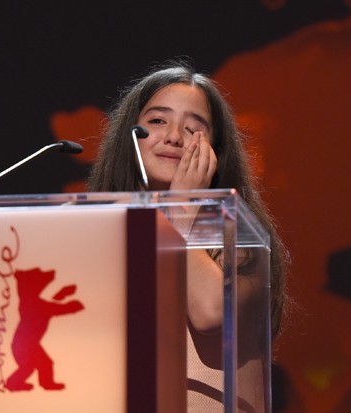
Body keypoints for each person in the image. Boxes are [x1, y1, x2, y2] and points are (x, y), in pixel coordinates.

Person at [88, 60, 289, 412]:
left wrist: (180, 210)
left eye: (193, 128)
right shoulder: (97, 228)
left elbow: (211, 311)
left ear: (215, 150)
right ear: (130, 134)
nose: (173, 137)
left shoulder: (238, 236)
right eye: (157, 121)